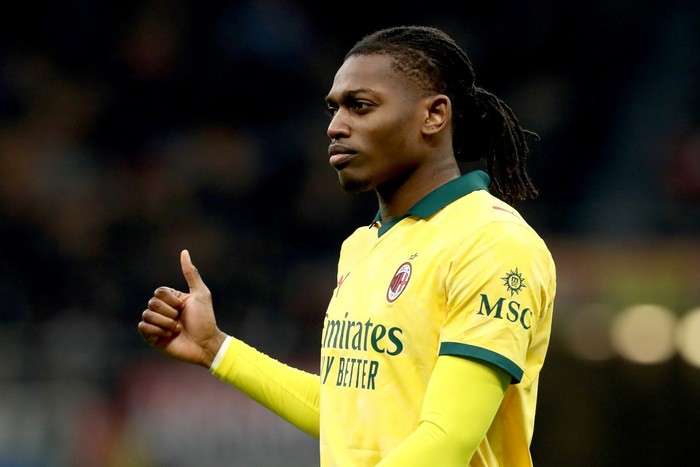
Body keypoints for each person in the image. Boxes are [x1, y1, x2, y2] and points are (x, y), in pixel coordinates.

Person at [138, 25, 556, 466]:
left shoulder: (491, 242)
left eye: (360, 106)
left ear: (433, 115)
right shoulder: (363, 245)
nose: (335, 127)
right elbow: (349, 414)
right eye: (334, 109)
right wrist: (216, 348)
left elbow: (446, 439)